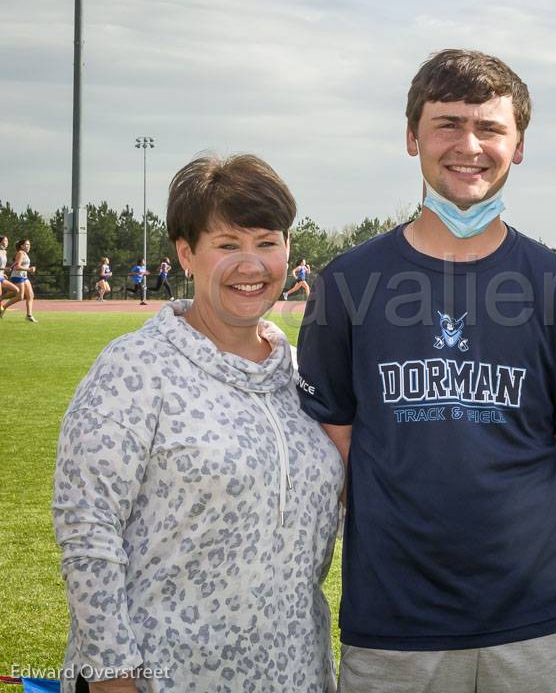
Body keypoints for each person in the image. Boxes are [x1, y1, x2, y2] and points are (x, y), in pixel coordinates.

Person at [297, 49, 556, 693]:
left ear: (518, 146)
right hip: (394, 615)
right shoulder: (348, 283)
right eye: (447, 124)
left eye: (490, 128)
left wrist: (509, 531)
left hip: (533, 615)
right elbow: (336, 441)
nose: (469, 145)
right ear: (412, 137)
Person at [52, 153, 343, 692]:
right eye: (227, 245)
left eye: (267, 241)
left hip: (292, 670)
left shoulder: (303, 374)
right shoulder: (136, 368)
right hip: (166, 673)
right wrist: (113, 674)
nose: (251, 265)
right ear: (187, 254)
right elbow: (87, 526)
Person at [1, 237, 37, 322]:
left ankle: (29, 315)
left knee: (30, 295)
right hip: (17, 276)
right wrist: (29, 269)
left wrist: (30, 269)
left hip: (24, 277)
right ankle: (2, 308)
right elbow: (17, 267)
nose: (29, 246)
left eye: (29, 244)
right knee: (20, 297)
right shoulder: (20, 253)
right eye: (27, 244)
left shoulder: (25, 253)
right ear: (22, 246)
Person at [0, 236, 22, 312]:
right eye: (5, 240)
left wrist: (3, 273)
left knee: (16, 290)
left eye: (7, 241)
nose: (7, 242)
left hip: (1, 277)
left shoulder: (5, 252)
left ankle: (1, 304)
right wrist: (5, 269)